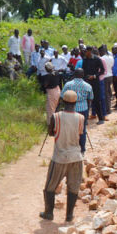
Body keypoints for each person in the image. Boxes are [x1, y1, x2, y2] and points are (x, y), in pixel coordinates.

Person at [40, 90, 84, 222]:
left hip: (59, 157)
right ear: (76, 103)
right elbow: (80, 135)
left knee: (50, 187)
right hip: (76, 157)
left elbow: (51, 133)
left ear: (63, 102)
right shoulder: (81, 117)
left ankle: (49, 213)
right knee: (73, 186)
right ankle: (69, 215)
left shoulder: (56, 116)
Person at [61, 69, 93, 154]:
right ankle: (82, 149)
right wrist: (88, 108)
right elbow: (90, 98)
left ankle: (70, 147)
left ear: (74, 74)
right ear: (83, 75)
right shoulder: (88, 86)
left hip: (70, 109)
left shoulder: (68, 84)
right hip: (83, 109)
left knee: (69, 129)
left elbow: (62, 96)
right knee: (82, 129)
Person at [82, 46, 105, 124]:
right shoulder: (84, 60)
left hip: (95, 83)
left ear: (90, 51)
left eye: (86, 51)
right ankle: (85, 120)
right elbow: (83, 70)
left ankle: (101, 119)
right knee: (86, 100)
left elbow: (102, 70)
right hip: (86, 82)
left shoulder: (97, 59)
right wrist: (85, 78)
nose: (85, 53)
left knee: (96, 100)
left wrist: (94, 76)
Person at [100, 45, 114, 115]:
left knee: (106, 94)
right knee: (108, 92)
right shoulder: (111, 57)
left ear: (102, 51)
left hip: (104, 77)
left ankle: (107, 109)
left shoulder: (102, 58)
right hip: (110, 75)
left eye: (100, 51)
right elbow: (112, 66)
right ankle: (109, 108)